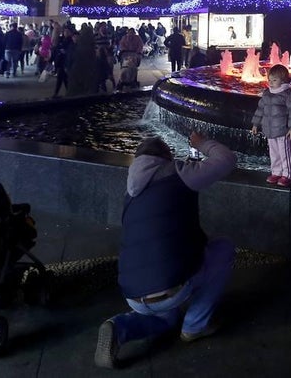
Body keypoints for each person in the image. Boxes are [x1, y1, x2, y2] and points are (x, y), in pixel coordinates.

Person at [95, 131, 237, 369]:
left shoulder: (130, 193)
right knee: (223, 249)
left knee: (164, 314)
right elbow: (226, 159)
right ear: (165, 156)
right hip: (172, 286)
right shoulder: (177, 173)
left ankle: (120, 327)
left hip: (133, 292)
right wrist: (201, 144)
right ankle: (195, 325)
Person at [250, 63, 291, 187]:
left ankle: (287, 175)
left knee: (285, 153)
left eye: (274, 80)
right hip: (269, 129)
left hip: (283, 130)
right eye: (269, 80)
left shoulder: (288, 94)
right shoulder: (267, 93)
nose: (271, 83)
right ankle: (276, 172)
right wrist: (255, 124)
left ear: (283, 81)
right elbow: (260, 109)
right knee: (274, 152)